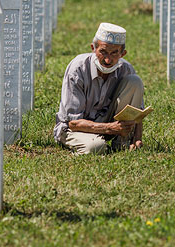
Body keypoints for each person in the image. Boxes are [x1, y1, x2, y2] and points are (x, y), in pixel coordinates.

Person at [53, 22, 145, 155]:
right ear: (93, 48)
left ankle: (122, 142)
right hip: (75, 129)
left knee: (135, 81)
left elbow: (136, 113)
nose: (108, 60)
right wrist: (110, 128)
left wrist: (137, 138)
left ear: (122, 54)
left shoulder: (125, 69)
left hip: (110, 126)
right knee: (95, 147)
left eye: (114, 53)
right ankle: (98, 141)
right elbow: (73, 123)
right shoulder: (78, 69)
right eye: (103, 52)